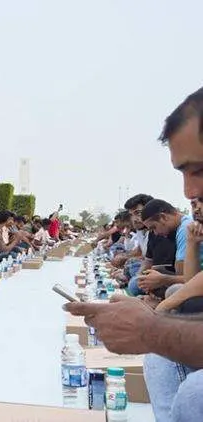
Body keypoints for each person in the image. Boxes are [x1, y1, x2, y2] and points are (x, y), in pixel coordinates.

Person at [66, 87, 203, 422]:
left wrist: (150, 328)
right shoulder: (184, 230)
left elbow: (185, 278)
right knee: (158, 359)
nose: (189, 192)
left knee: (195, 393)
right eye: (182, 174)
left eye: (198, 170)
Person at [132, 199, 192, 299]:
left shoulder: (185, 228)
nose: (155, 233)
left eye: (154, 227)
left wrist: (162, 279)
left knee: (173, 289)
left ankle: (158, 305)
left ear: (163, 217)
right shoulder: (181, 227)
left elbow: (185, 278)